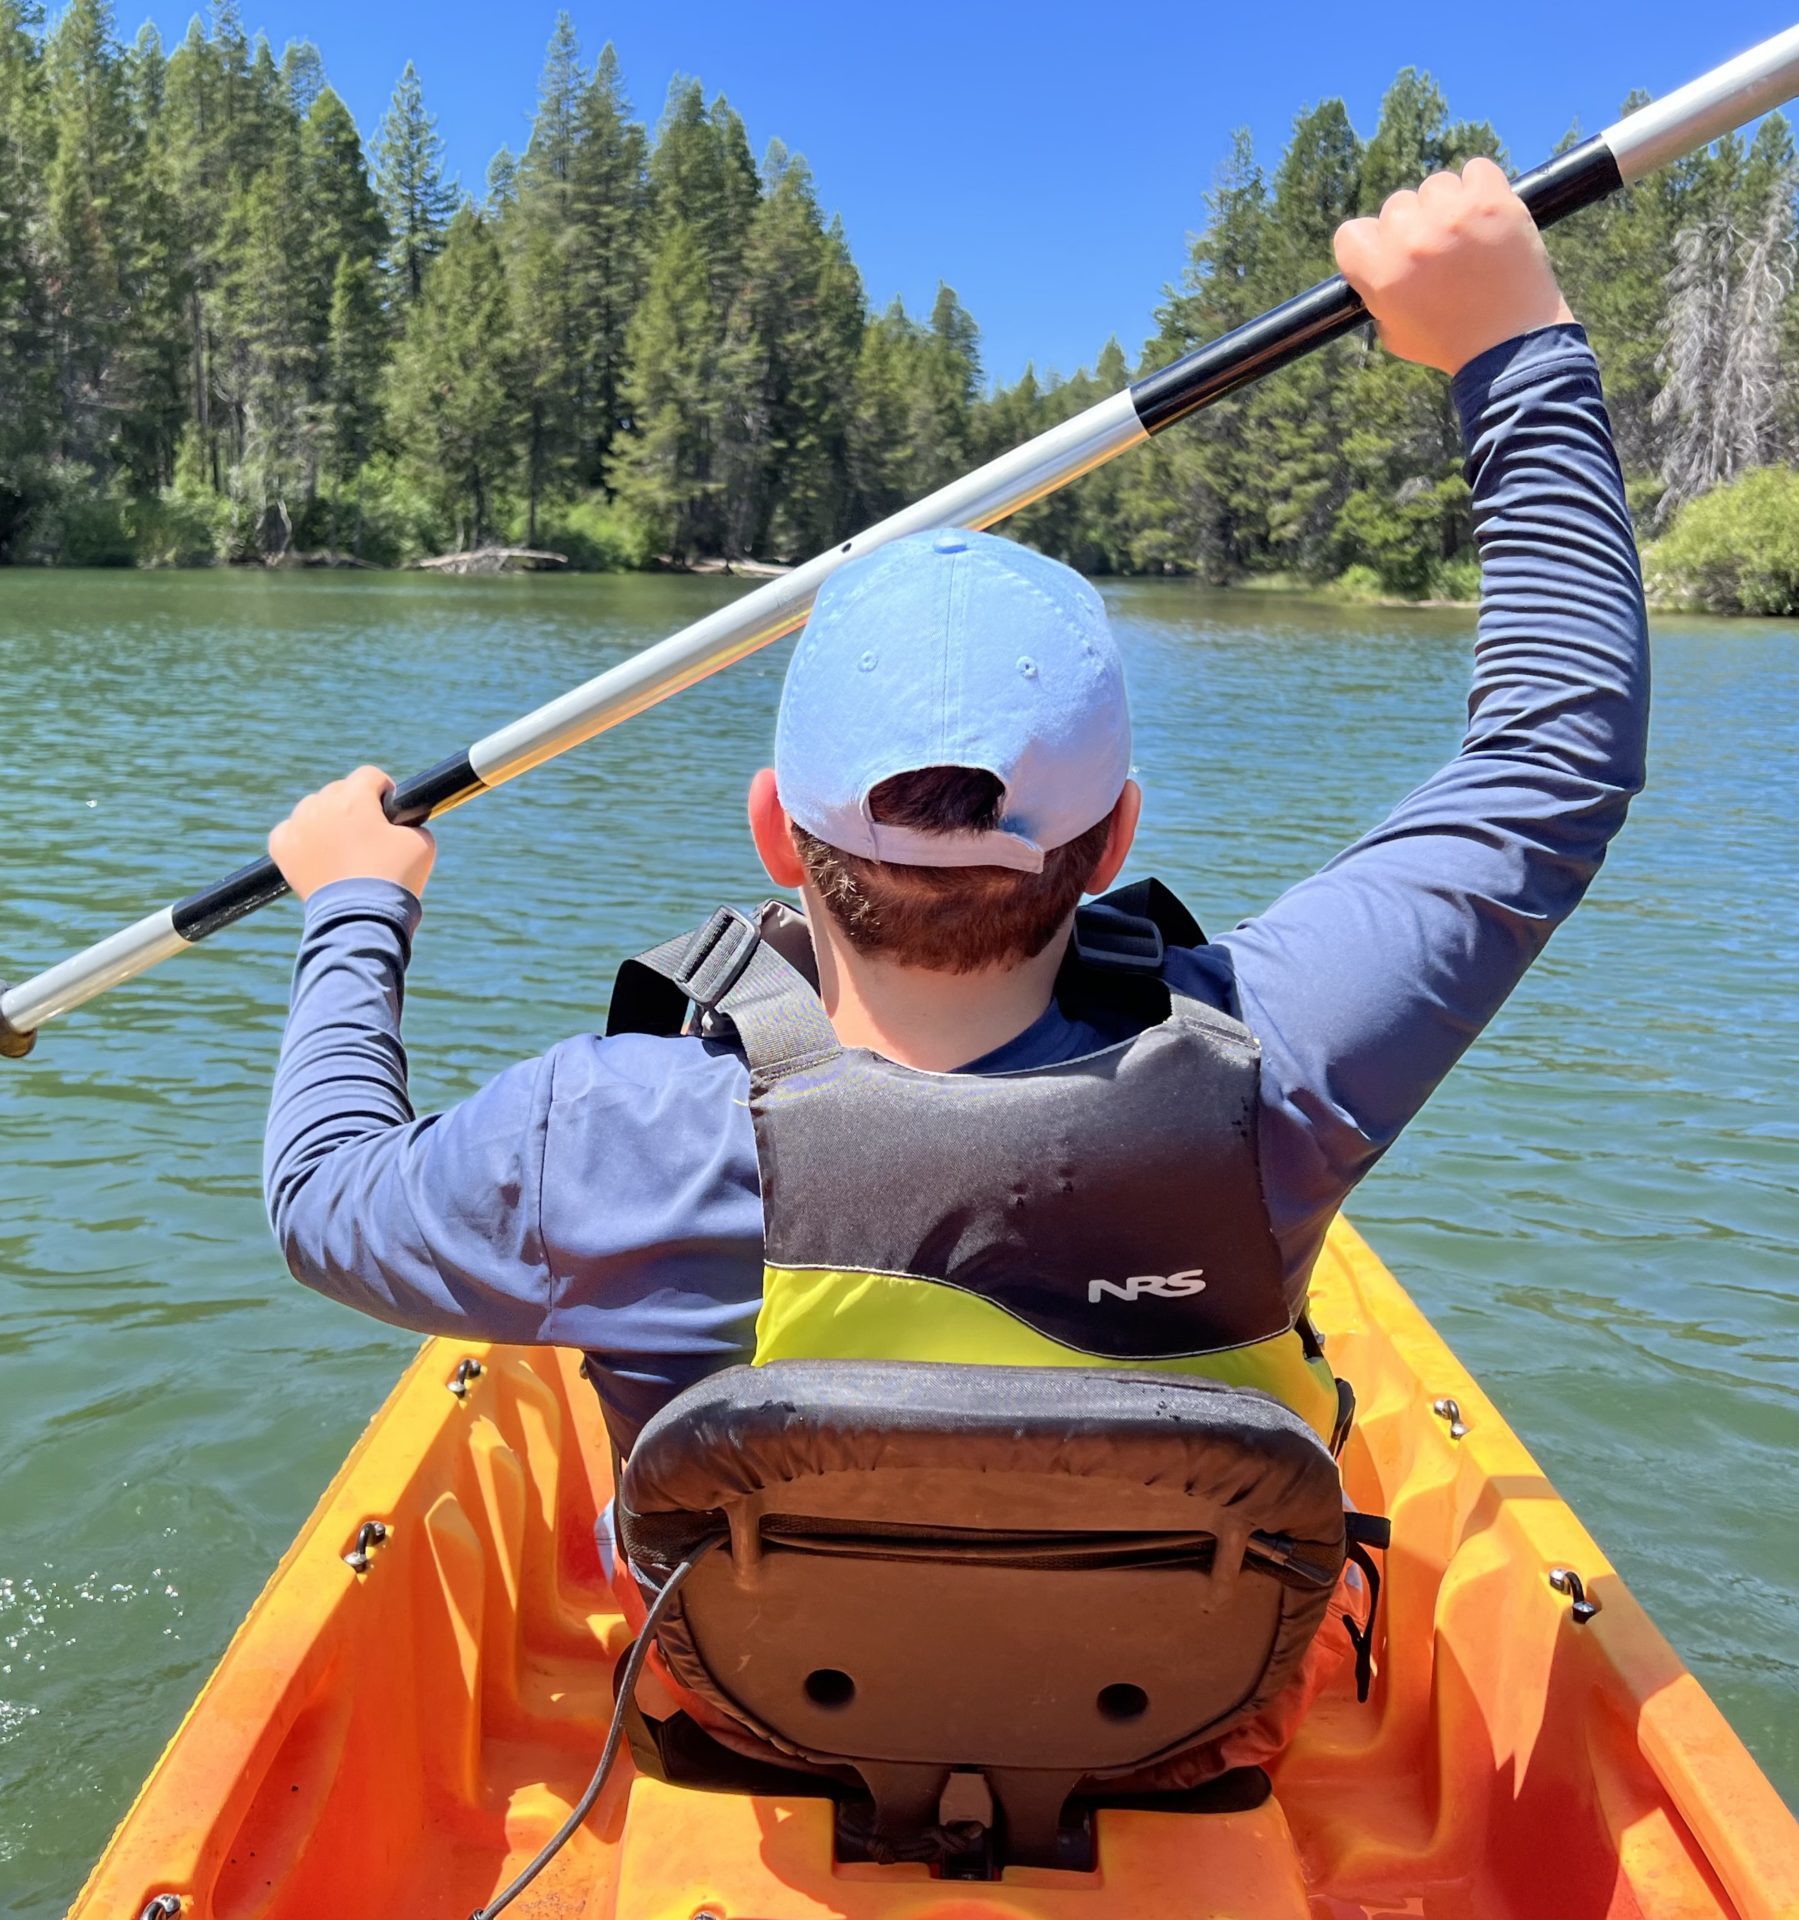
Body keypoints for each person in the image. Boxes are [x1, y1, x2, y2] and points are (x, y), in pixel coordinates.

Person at [263, 159, 1645, 1750]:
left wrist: (358, 900)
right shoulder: (1288, 1062)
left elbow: (323, 1200)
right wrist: (1509, 340)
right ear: (1117, 842)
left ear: (778, 833)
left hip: (754, 1729)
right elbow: (1556, 761)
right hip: (1178, 1743)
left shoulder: (608, 1139)